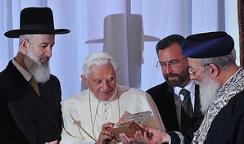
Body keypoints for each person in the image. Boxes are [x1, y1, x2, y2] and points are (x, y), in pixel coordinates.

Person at [135, 31, 244, 144]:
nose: (191, 76)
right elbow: (200, 137)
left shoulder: (239, 102)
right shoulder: (222, 92)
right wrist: (164, 138)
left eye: (192, 70)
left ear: (212, 70)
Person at [60, 52, 165, 144]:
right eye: (98, 81)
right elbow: (65, 141)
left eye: (111, 79)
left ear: (116, 74)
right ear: (85, 80)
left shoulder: (140, 98)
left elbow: (161, 138)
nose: (106, 87)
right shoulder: (69, 106)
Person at [0, 7, 70, 144]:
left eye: (52, 46)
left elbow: (58, 132)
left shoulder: (53, 83)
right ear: (25, 44)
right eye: (44, 46)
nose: (50, 54)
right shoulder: (2, 86)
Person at [146, 34, 203, 142]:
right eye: (163, 64)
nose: (168, 71)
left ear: (188, 59)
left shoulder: (210, 89)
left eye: (173, 62)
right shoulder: (152, 97)